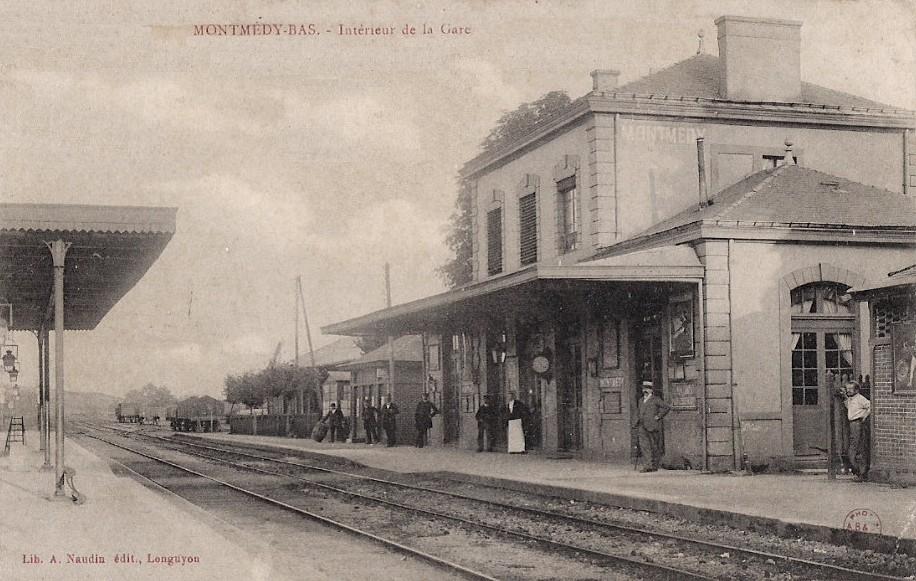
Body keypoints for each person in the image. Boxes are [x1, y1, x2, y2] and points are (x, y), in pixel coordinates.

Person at [634, 381, 671, 472]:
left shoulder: (656, 399)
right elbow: (639, 412)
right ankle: (648, 466)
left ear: (651, 390)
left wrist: (658, 416)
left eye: (647, 388)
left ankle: (654, 465)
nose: (645, 390)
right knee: (644, 446)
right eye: (644, 388)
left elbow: (666, 407)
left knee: (654, 446)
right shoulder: (640, 400)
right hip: (642, 426)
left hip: (652, 426)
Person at [844, 381, 871, 481]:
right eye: (847, 389)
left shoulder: (860, 398)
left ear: (857, 390)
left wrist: (864, 416)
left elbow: (870, 405)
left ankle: (862, 473)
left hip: (857, 424)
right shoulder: (851, 399)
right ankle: (858, 472)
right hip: (852, 424)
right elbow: (850, 408)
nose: (848, 391)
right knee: (853, 449)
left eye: (851, 389)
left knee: (858, 448)